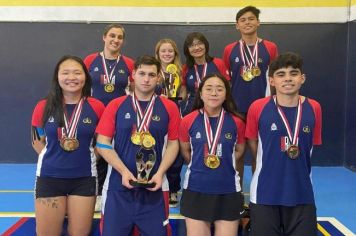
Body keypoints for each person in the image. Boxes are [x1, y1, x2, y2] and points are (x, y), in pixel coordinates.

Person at [96, 55, 180, 235]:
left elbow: (173, 144)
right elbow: (102, 143)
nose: (146, 79)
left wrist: (160, 173)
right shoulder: (115, 105)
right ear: (133, 74)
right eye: (142, 73)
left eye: (152, 74)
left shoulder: (169, 107)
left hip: (155, 185)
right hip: (117, 187)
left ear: (159, 77)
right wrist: (124, 171)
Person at [245, 52, 322, 235]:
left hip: (302, 192)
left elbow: (310, 148)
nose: (288, 79)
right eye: (281, 74)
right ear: (272, 81)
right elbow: (253, 146)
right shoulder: (258, 107)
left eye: (293, 73)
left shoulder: (314, 108)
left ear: (302, 78)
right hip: (265, 192)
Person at [31, 55, 105, 235]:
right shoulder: (43, 106)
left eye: (77, 73)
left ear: (85, 77)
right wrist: (52, 160)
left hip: (84, 178)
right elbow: (36, 140)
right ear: (57, 77)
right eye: (65, 72)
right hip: (49, 177)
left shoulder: (97, 107)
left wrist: (91, 158)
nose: (71, 77)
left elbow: (104, 141)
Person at [179, 73, 246, 236]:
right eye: (209, 89)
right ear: (201, 94)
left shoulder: (237, 122)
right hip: (196, 190)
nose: (214, 93)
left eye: (219, 89)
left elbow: (239, 151)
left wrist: (222, 161)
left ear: (226, 94)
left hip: (228, 191)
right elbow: (186, 152)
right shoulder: (188, 120)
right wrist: (202, 163)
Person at [223, 5, 278, 186]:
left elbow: (276, 77)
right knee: (237, 152)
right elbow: (226, 80)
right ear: (237, 25)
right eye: (243, 20)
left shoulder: (270, 47)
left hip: (263, 108)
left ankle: (258, 188)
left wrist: (275, 105)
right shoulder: (229, 49)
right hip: (236, 109)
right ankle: (236, 190)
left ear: (258, 22)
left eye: (251, 19)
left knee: (259, 153)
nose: (247, 22)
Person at [84, 23, 135, 211]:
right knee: (96, 153)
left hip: (119, 115)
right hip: (95, 114)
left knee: (116, 152)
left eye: (120, 37)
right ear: (104, 37)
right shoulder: (90, 60)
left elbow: (133, 89)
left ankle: (116, 190)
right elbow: (82, 86)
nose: (115, 40)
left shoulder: (129, 63)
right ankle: (96, 193)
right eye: (112, 36)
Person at [154, 38, 186, 207]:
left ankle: (173, 188)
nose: (167, 54)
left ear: (175, 54)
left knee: (176, 155)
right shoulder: (152, 72)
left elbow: (185, 95)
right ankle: (153, 181)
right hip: (155, 117)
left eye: (170, 51)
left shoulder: (182, 72)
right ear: (158, 54)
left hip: (176, 117)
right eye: (163, 51)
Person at [181, 32, 230, 118]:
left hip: (216, 111)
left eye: (199, 43)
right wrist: (173, 102)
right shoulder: (185, 68)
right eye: (192, 45)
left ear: (205, 45)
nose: (196, 48)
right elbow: (183, 92)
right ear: (187, 50)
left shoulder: (218, 63)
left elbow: (227, 87)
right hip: (191, 111)